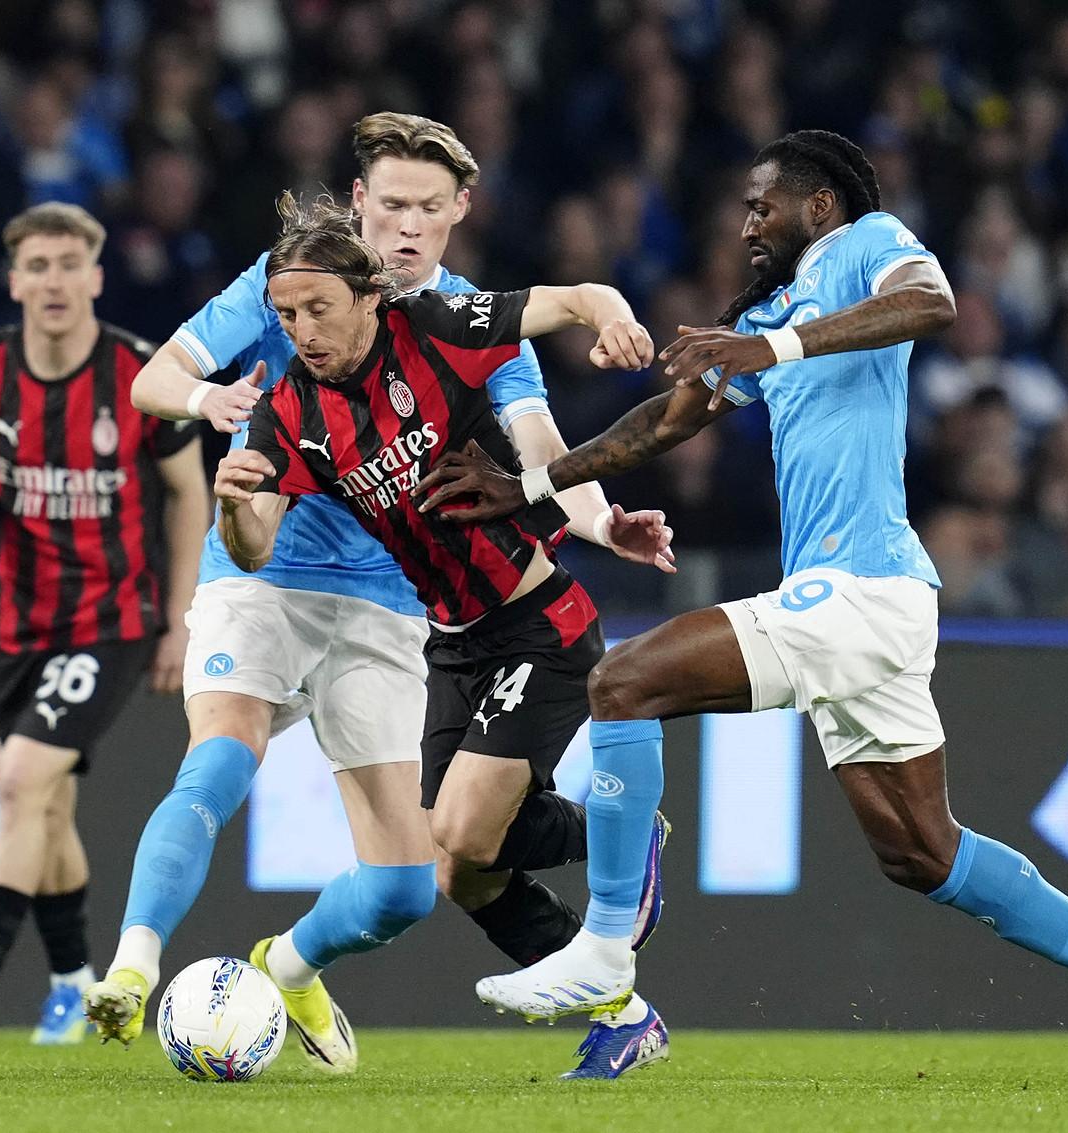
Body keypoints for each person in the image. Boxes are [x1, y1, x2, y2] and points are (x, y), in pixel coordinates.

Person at [415, 130, 1068, 1088]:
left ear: (820, 205)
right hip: (864, 602)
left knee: (622, 681)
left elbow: (933, 301)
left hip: (860, 591)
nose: (747, 226)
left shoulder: (865, 243)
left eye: (763, 207)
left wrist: (772, 344)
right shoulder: (772, 308)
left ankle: (605, 945)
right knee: (921, 852)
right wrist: (534, 486)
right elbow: (665, 420)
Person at [83, 114, 670, 1081]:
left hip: (400, 606)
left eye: (427, 209)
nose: (407, 226)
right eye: (391, 204)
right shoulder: (286, 294)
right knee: (226, 761)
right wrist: (209, 409)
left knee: (415, 880)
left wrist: (604, 523)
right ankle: (132, 967)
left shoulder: (459, 322)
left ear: (460, 211)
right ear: (358, 203)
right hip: (267, 586)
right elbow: (162, 383)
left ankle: (291, 966)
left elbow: (540, 446)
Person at [0, 202, 207, 1045]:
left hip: (112, 620)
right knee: (44, 810)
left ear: (96, 276)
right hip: (14, 627)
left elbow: (188, 495)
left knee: (20, 782)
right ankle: (73, 982)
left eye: (69, 264)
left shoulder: (140, 373)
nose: (54, 281)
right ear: (15, 281)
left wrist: (181, 619)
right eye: (38, 266)